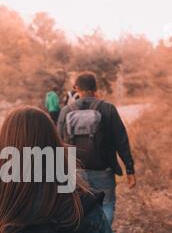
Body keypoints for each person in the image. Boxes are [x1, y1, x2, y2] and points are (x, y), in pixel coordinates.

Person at [58, 72, 136, 225]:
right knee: (106, 204)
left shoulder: (66, 111)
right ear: (96, 88)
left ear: (76, 88)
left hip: (76, 173)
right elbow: (122, 141)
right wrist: (129, 169)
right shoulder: (108, 109)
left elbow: (59, 144)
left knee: (80, 209)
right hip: (103, 170)